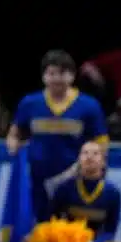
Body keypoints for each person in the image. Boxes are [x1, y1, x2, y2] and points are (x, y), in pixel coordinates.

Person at [7, 50, 108, 222]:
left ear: (72, 76)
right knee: (40, 225)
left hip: (73, 177)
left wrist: (95, 168)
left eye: (62, 73)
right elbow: (15, 132)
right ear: (44, 76)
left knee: (72, 228)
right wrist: (13, 144)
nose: (56, 79)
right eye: (51, 73)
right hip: (38, 179)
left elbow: (101, 142)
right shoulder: (29, 103)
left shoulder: (89, 106)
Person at [42, 140, 121, 242]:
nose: (89, 157)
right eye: (85, 153)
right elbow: (51, 220)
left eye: (95, 153)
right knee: (32, 241)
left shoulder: (113, 193)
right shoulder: (64, 188)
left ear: (103, 162)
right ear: (79, 159)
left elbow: (110, 230)